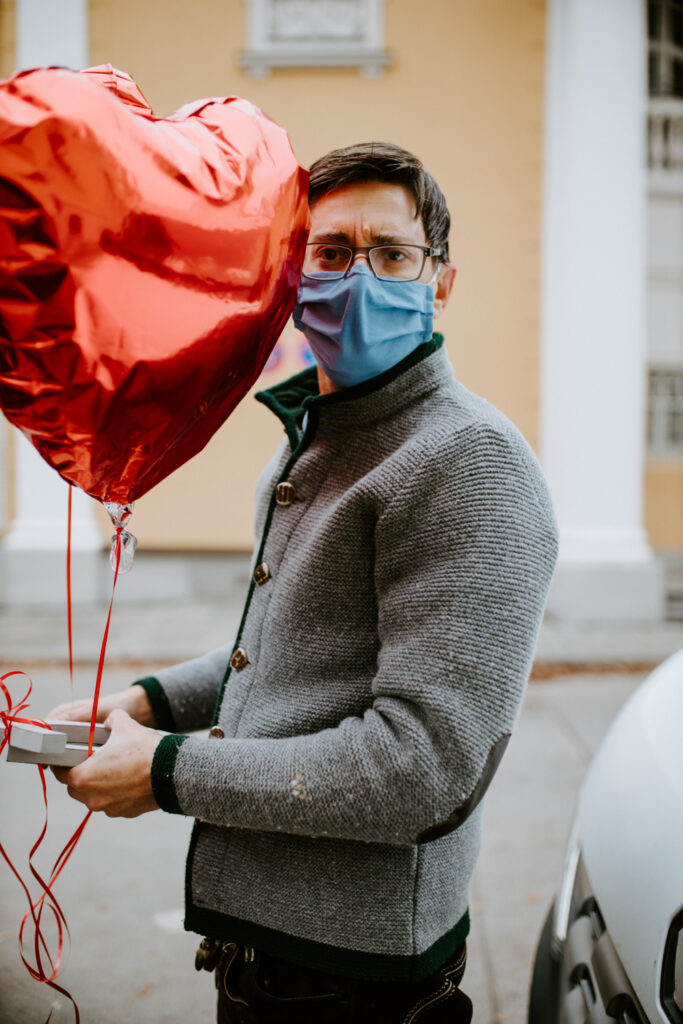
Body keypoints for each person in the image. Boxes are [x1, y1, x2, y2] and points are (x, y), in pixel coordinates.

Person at [50, 142, 559, 1023]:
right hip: (265, 956)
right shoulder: (314, 441)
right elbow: (291, 650)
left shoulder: (466, 462)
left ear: (439, 284)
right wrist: (145, 705)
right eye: (330, 252)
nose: (357, 277)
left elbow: (421, 768)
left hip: (355, 983)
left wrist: (167, 772)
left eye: (391, 254)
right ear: (291, 277)